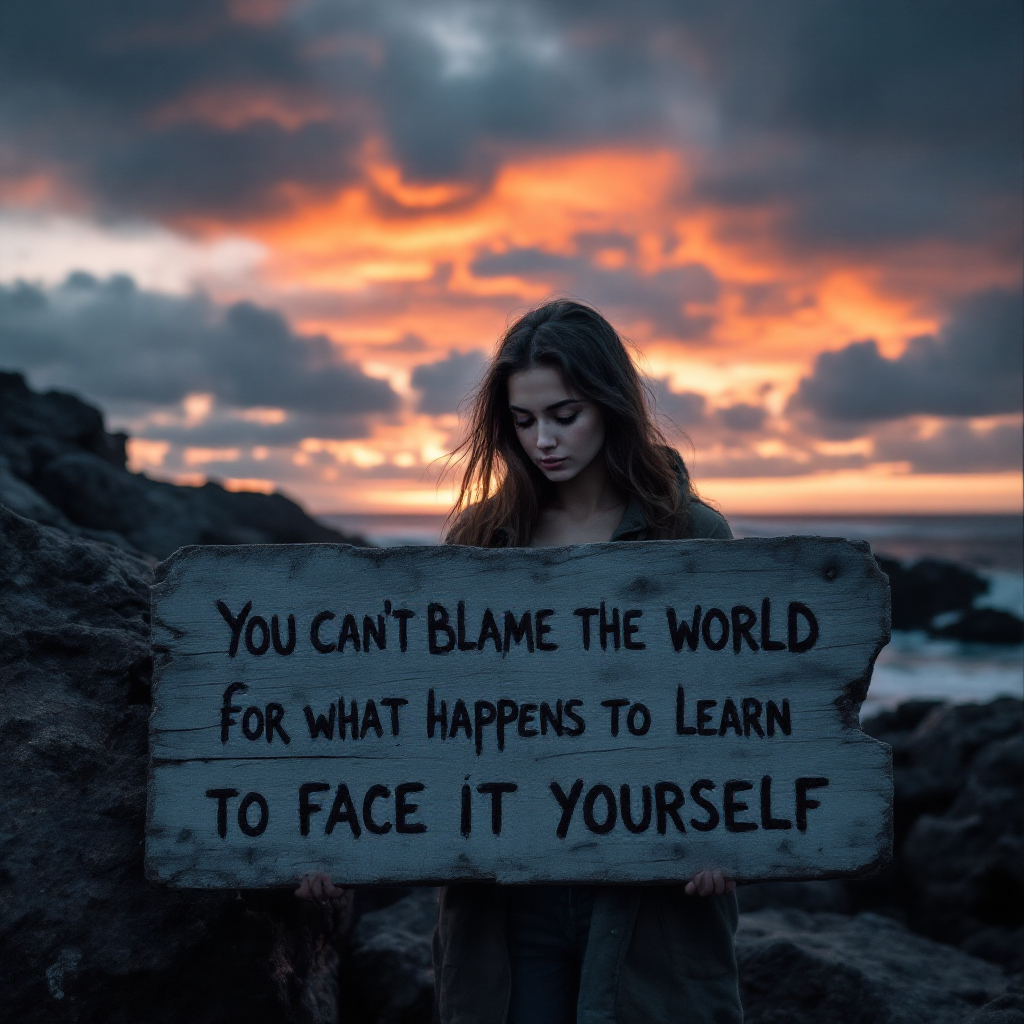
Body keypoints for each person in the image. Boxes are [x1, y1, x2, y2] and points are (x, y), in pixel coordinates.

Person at [300, 299, 743, 1024]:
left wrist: (728, 833)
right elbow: (421, 711)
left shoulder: (690, 534)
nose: (544, 440)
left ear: (610, 404)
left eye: (565, 415)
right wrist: (326, 839)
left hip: (647, 892)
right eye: (525, 420)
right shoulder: (482, 537)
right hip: (506, 900)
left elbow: (731, 706)